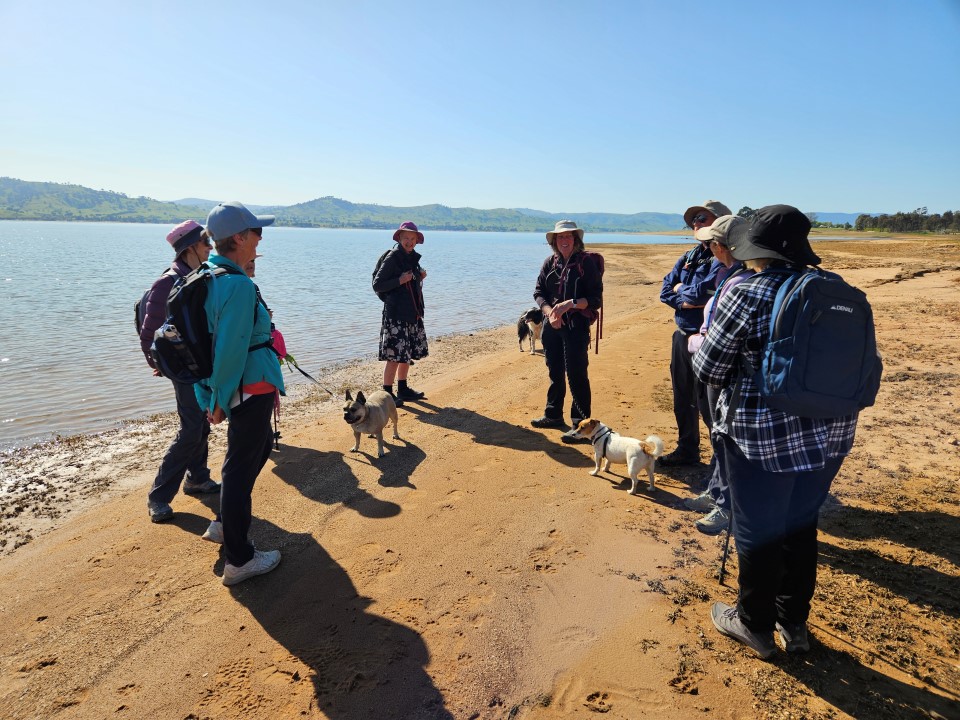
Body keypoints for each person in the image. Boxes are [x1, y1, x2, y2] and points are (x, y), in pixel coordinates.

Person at [693, 204, 861, 658]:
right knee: (800, 527)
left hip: (760, 438)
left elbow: (710, 368)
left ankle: (754, 624)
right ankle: (795, 625)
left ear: (756, 251)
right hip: (830, 437)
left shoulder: (746, 291)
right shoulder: (837, 289)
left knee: (757, 529)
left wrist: (696, 345)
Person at [196, 201, 286, 586]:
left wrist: (211, 395)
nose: (261, 238)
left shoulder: (209, 275)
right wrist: (216, 400)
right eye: (256, 232)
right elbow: (230, 350)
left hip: (240, 387)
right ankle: (240, 558)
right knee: (238, 467)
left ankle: (223, 524)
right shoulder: (238, 284)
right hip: (248, 387)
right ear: (239, 238)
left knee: (258, 447)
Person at [141, 220, 220, 523]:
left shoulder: (197, 275)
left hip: (200, 367)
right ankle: (158, 496)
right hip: (184, 371)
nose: (210, 249)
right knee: (190, 429)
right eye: (205, 244)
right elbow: (149, 335)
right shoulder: (167, 282)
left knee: (201, 423)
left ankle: (198, 477)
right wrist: (161, 366)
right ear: (190, 249)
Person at [685, 215, 755, 534]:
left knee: (726, 437)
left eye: (711, 243)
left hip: (726, 371)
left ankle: (726, 506)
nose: (709, 247)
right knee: (717, 434)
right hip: (719, 367)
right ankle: (717, 493)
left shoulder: (740, 280)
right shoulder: (731, 274)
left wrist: (695, 340)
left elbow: (723, 334)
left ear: (721, 246)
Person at [658, 200, 729, 466]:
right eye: (694, 220)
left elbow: (705, 293)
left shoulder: (725, 256)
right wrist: (681, 295)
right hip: (682, 334)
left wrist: (681, 291)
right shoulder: (690, 256)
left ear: (720, 221)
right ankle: (687, 449)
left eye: (702, 217)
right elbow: (665, 290)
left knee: (710, 401)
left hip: (711, 339)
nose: (696, 223)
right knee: (682, 395)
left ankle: (719, 460)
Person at [531, 220, 603, 444]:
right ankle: (553, 415)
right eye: (560, 237)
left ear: (576, 240)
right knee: (554, 371)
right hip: (552, 326)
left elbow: (595, 300)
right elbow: (539, 292)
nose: (564, 240)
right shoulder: (549, 263)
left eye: (568, 237)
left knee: (577, 375)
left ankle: (581, 425)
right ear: (554, 241)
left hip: (576, 328)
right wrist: (549, 311)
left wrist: (568, 304)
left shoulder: (586, 264)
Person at [372, 221, 429, 407]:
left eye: (412, 239)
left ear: (416, 241)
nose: (409, 241)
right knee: (395, 356)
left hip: (411, 312)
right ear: (399, 238)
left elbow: (411, 281)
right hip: (396, 314)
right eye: (406, 238)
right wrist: (399, 280)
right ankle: (387, 394)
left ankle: (403, 389)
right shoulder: (393, 256)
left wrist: (419, 275)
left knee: (407, 353)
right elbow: (377, 284)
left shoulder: (411, 257)